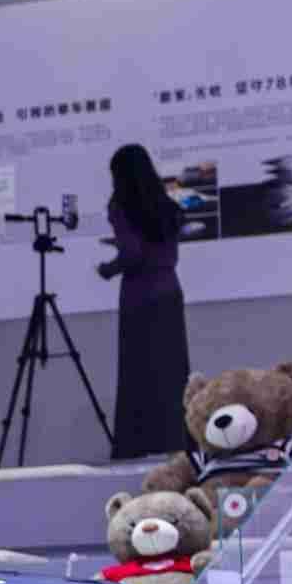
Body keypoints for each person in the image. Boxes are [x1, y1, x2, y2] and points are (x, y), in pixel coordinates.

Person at [98, 141, 191, 464]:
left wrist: (108, 269)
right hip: (169, 291)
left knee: (138, 374)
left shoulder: (120, 205)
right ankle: (177, 439)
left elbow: (133, 254)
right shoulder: (167, 205)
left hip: (139, 295)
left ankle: (138, 443)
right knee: (172, 372)